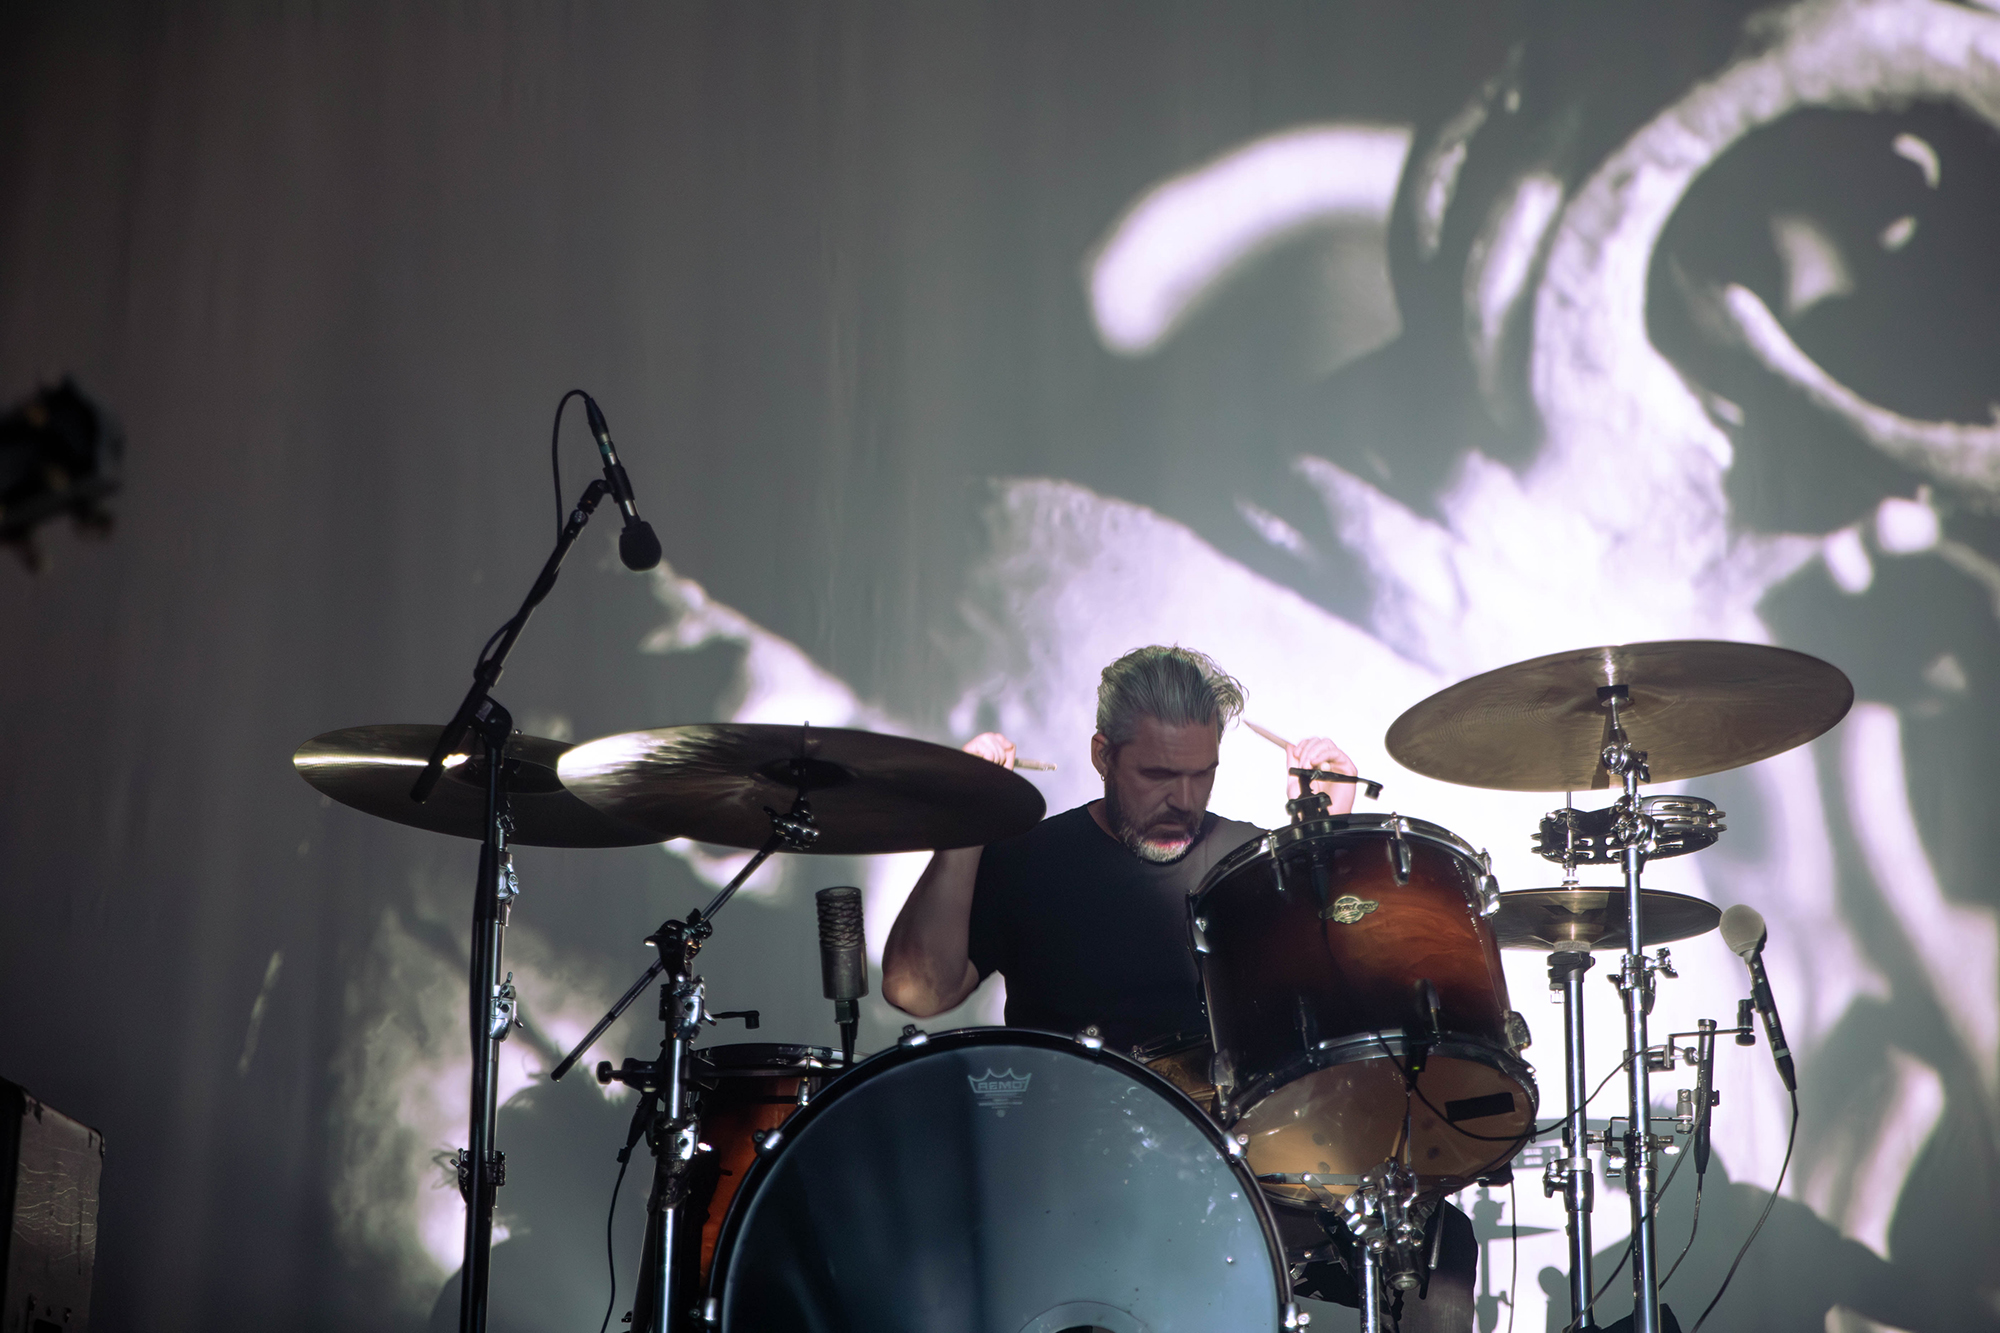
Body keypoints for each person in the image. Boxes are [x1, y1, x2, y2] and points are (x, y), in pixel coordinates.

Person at [882, 644, 1476, 1330]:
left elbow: (1349, 1008)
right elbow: (918, 990)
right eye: (1158, 774)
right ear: (1103, 756)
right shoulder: (1029, 858)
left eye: (1202, 774)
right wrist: (966, 820)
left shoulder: (1250, 863)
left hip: (1236, 1167)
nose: (1183, 800)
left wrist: (1324, 838)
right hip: (1068, 1175)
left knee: (1436, 1251)